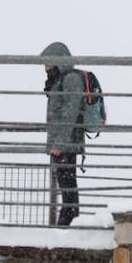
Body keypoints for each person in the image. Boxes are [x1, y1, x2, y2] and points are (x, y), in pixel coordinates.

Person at [42, 42, 86, 226]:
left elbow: (70, 112)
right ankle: (68, 220)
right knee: (65, 182)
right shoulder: (60, 79)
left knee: (67, 183)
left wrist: (59, 143)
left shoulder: (70, 79)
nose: (45, 68)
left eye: (48, 63)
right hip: (63, 142)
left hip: (67, 143)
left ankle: (67, 221)